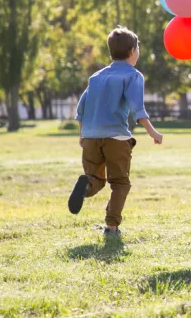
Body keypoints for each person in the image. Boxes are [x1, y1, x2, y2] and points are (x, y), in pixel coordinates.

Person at [67, 26, 163, 238]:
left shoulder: (97, 77)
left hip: (91, 136)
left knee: (96, 178)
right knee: (120, 183)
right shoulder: (133, 75)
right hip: (116, 137)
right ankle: (111, 227)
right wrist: (153, 133)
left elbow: (81, 108)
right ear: (132, 51)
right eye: (138, 48)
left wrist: (82, 135)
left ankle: (86, 185)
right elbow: (138, 109)